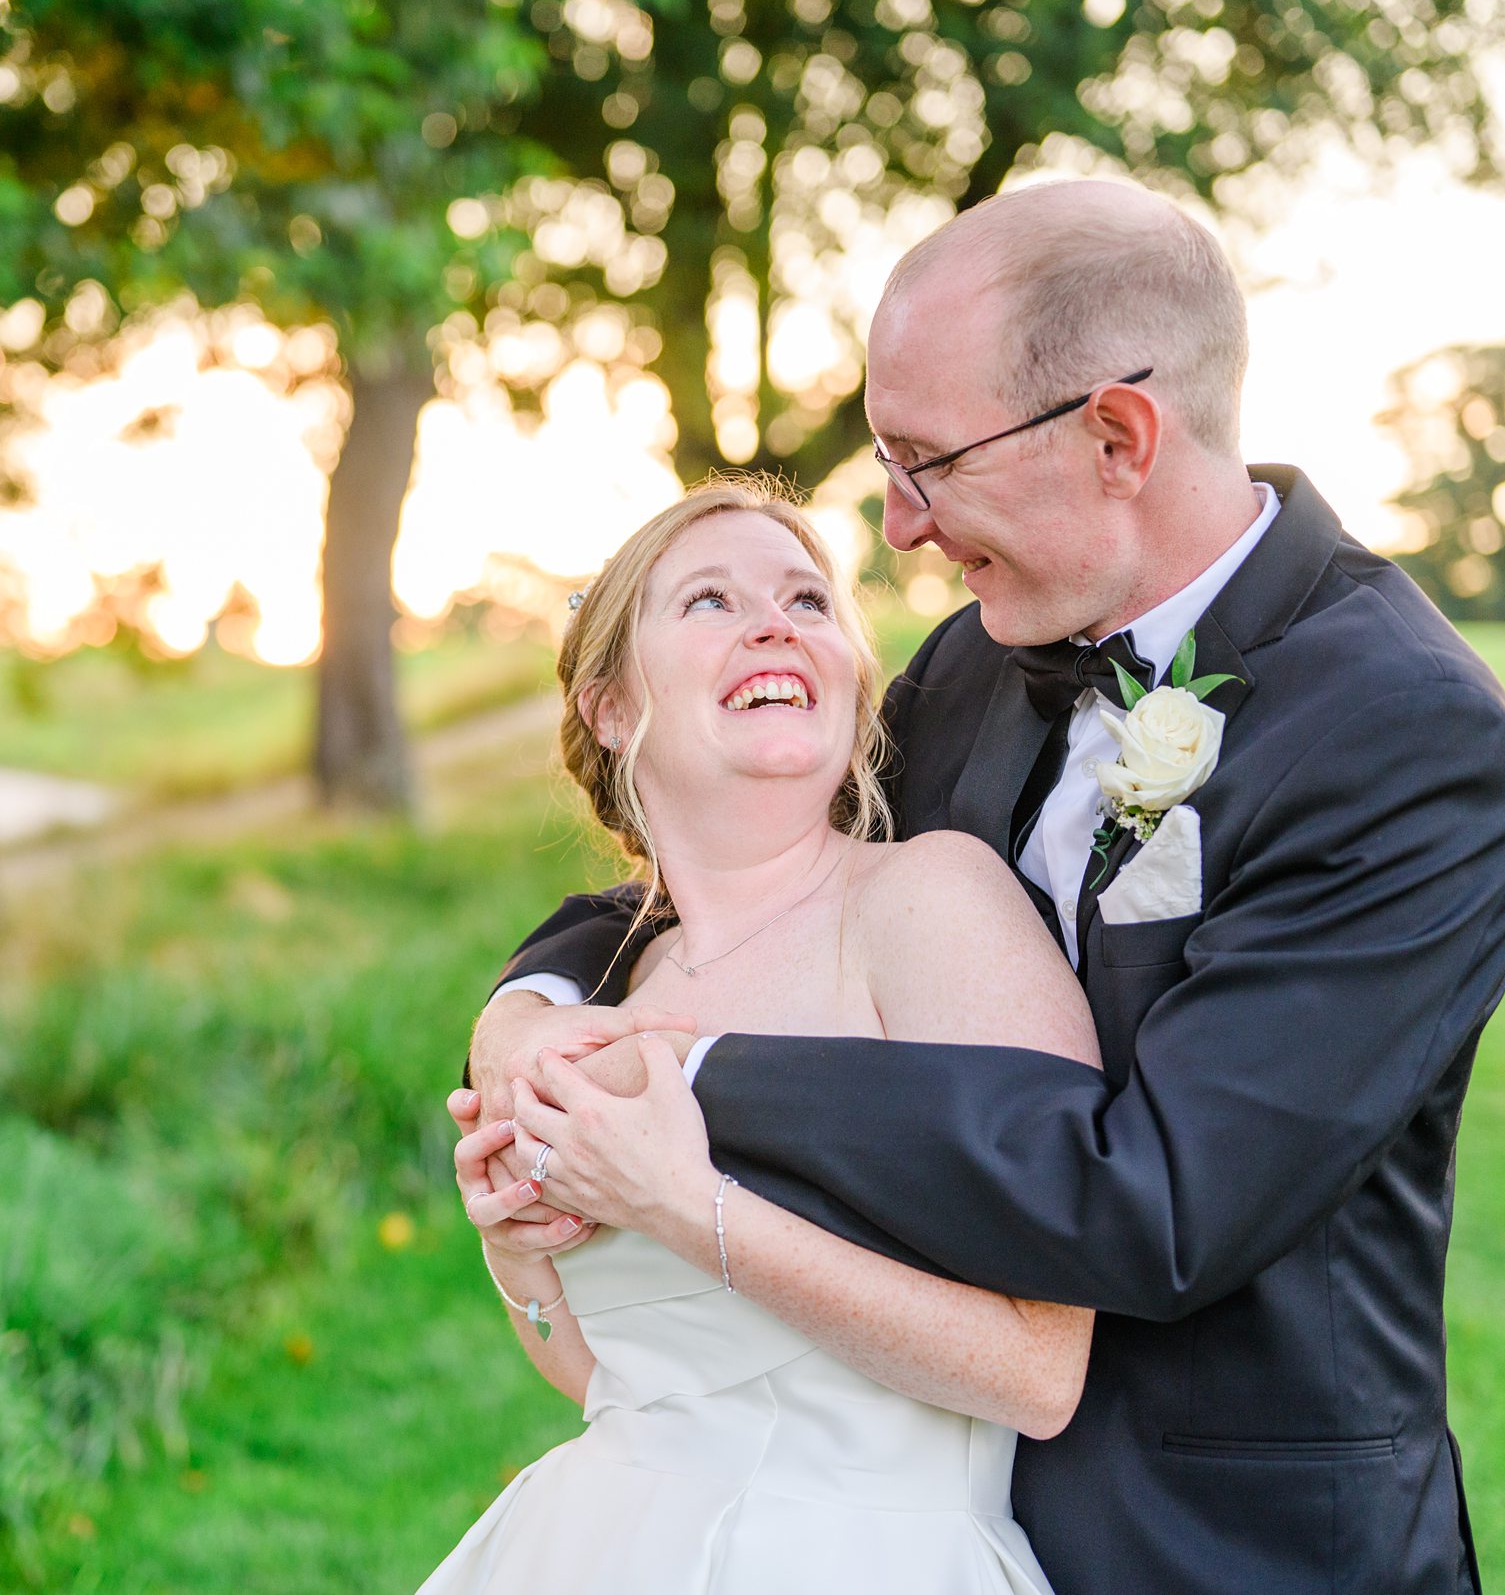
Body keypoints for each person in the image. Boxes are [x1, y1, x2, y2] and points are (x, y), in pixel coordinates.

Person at [462, 178, 1505, 1595]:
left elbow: (1163, 1204)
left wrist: (681, 1080)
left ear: (1116, 435)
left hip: (1226, 1545)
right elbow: (766, 874)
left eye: (926, 461)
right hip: (923, 1507)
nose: (898, 526)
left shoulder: (1403, 736)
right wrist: (536, 1013)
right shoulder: (981, 661)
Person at [419, 480, 1103, 1595]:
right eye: (709, 601)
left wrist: (683, 1206)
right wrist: (519, 1252)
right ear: (612, 706)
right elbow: (619, 1383)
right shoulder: (608, 978)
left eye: (807, 599)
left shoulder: (930, 902)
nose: (775, 622)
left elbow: (1037, 1368)